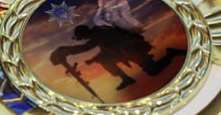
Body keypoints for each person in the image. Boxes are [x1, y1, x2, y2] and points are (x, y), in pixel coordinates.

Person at [52, 23, 186, 92]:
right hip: (125, 51)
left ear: (84, 34)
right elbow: (105, 50)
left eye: (82, 37)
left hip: (132, 50)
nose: (83, 39)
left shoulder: (98, 33)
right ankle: (126, 79)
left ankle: (171, 53)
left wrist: (66, 50)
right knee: (104, 59)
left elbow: (87, 47)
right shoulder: (99, 32)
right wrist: (93, 59)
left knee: (153, 70)